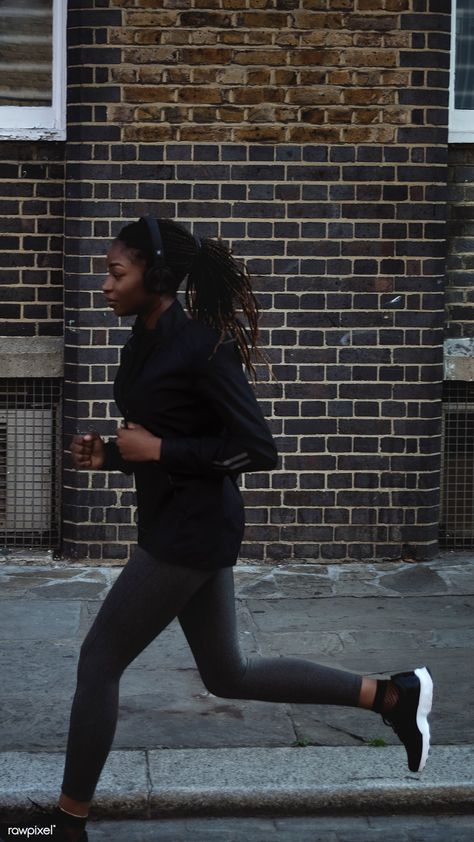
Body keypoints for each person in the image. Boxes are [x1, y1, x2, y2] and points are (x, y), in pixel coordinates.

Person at [0, 218, 433, 842]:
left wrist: (161, 451)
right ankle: (393, 697)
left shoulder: (203, 345)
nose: (103, 285)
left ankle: (68, 826)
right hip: (177, 522)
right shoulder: (140, 342)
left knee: (98, 661)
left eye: (115, 273)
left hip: (192, 531)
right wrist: (115, 455)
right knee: (228, 674)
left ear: (156, 276)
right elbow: (160, 436)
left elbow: (256, 448)